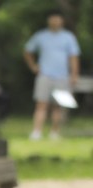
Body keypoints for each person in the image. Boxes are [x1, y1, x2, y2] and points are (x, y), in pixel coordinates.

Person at [24, 10, 82, 140]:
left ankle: (55, 132)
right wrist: (33, 66)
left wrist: (74, 74)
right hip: (45, 75)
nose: (55, 21)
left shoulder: (68, 37)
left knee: (58, 106)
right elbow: (28, 50)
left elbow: (73, 57)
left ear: (62, 21)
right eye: (53, 18)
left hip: (62, 76)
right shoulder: (41, 36)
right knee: (41, 104)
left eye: (58, 18)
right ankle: (36, 132)